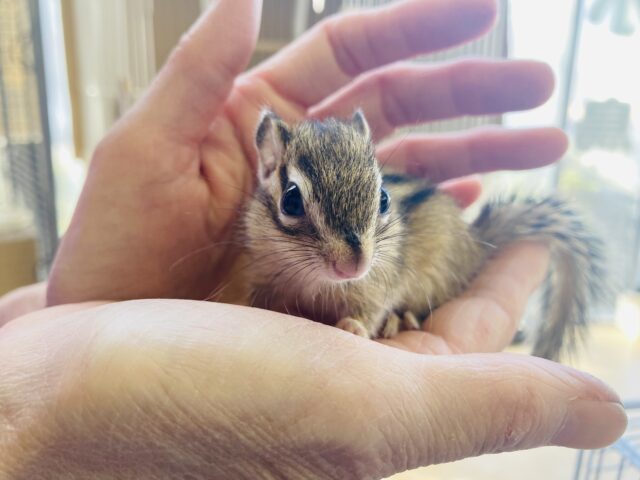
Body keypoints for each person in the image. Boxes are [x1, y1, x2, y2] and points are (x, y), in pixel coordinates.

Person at [0, 0, 627, 478]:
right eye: (297, 207)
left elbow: (371, 267)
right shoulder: (258, 227)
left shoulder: (376, 247)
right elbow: (269, 284)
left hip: (425, 251)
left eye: (374, 207)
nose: (351, 258)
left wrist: (366, 313)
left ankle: (399, 258)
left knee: (419, 232)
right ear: (269, 169)